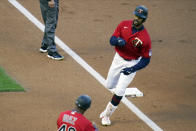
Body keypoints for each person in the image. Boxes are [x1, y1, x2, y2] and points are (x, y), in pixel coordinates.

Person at [100, 5, 152, 126]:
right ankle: (119, 90)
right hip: (118, 59)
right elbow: (111, 39)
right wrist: (117, 41)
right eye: (136, 15)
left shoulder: (145, 38)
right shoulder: (124, 24)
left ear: (144, 20)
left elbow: (146, 59)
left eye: (140, 17)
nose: (137, 18)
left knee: (119, 91)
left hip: (132, 62)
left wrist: (132, 69)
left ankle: (107, 115)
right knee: (109, 85)